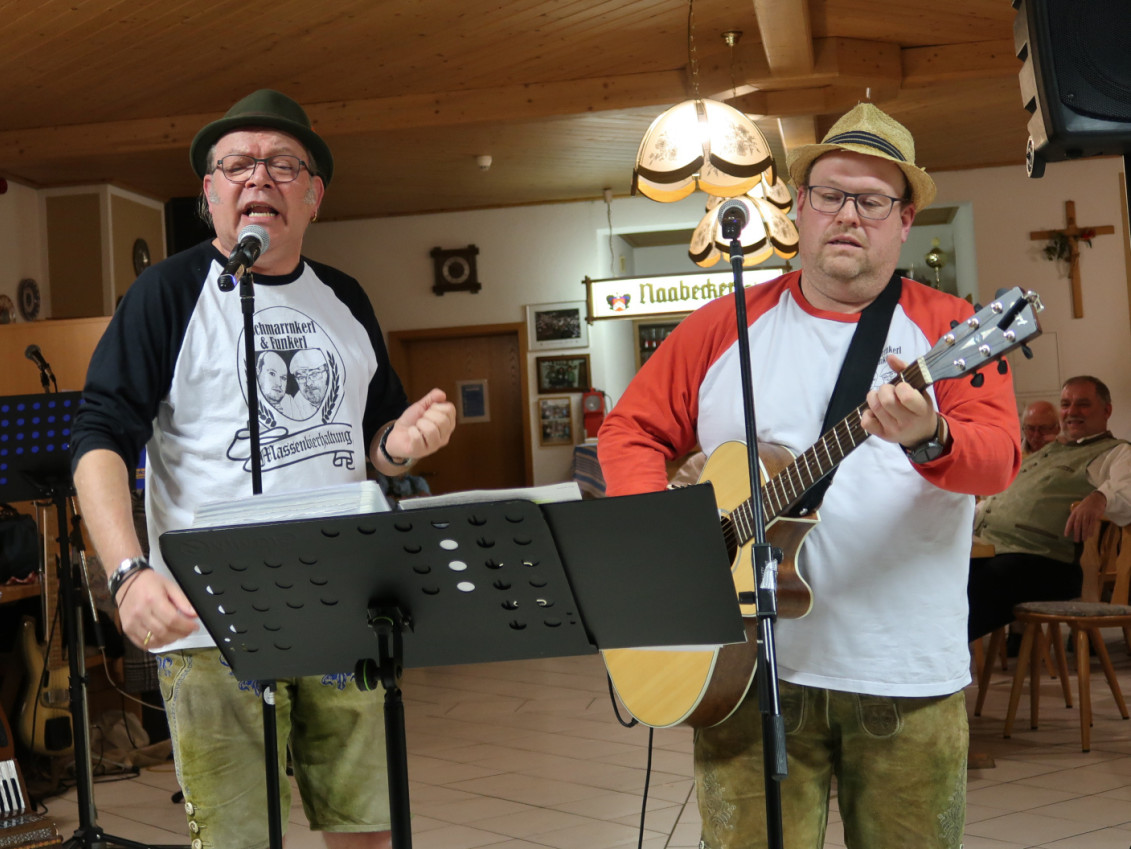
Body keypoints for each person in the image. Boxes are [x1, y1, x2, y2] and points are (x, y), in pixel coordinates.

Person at [598, 103, 1021, 849]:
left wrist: (930, 436)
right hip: (745, 672)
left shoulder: (953, 330)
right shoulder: (721, 324)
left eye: (872, 200)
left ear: (905, 219)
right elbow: (629, 430)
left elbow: (998, 458)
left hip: (904, 674)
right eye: (829, 195)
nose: (847, 215)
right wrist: (667, 544)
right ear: (799, 207)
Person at [70, 89, 456, 849]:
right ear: (209, 192)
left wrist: (402, 444)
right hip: (207, 620)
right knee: (239, 841)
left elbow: (372, 445)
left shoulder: (346, 298)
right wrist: (127, 573)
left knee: (368, 831)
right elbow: (98, 441)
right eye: (237, 164)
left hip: (345, 609)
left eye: (284, 164)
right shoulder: (165, 295)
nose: (259, 178)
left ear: (314, 196)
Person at [969, 375, 1131, 640]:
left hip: (1047, 562)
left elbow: (1128, 489)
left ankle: (934, 658)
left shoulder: (1116, 452)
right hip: (994, 549)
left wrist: (1100, 497)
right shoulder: (1046, 452)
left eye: (1083, 404)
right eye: (1066, 404)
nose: (1072, 412)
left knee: (976, 586)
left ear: (1107, 410)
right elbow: (1003, 500)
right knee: (939, 573)